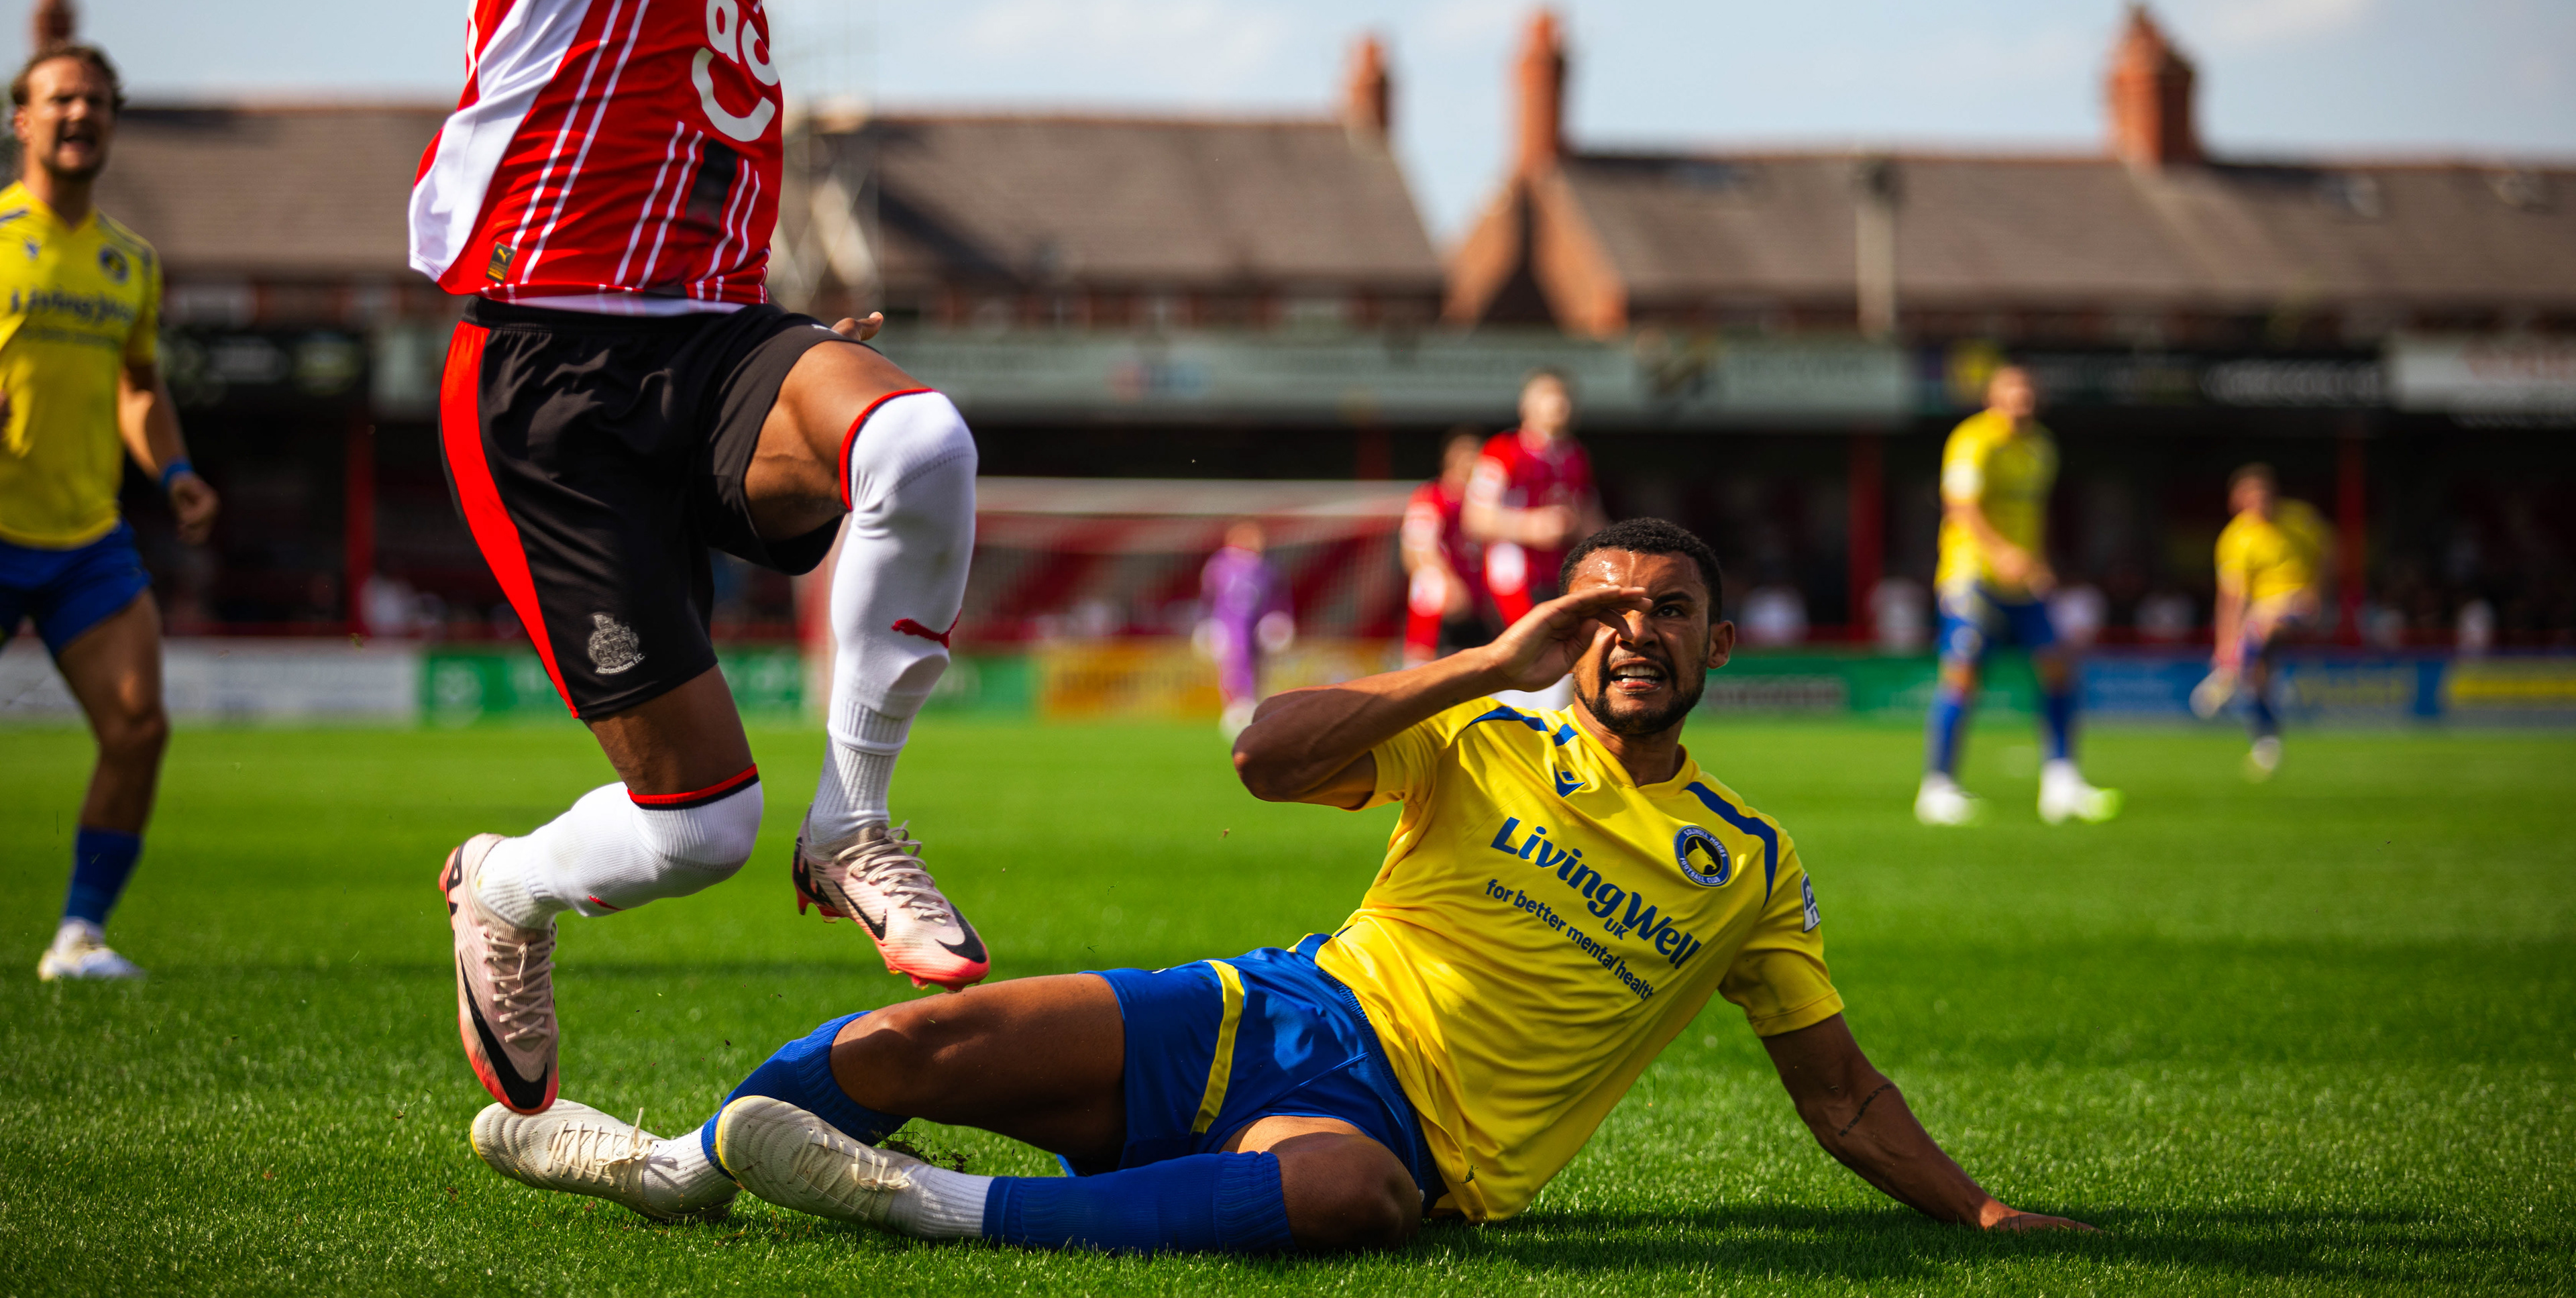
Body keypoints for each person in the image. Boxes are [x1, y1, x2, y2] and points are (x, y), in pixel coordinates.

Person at [467, 519, 2092, 1252]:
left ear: (1717, 646)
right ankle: (682, 1165)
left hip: (1405, 1132)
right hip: (1273, 1006)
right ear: (1564, 628)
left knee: (1342, 1200)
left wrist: (1984, 1205)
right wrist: (1480, 660)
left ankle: (939, 1206)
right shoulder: (1482, 731)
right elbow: (1260, 749)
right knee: (914, 1049)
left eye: (1669, 608)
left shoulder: (1749, 865)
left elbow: (1842, 1091)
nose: (1634, 630)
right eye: (1605, 606)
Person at [412, 0, 1072, 1116]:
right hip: (542, 382)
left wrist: (766, 336)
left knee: (919, 441)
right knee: (700, 827)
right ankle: (507, 888)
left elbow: (668, 204)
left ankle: (855, 825)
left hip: (702, 346)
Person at [6, 43, 220, 980]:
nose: (78, 114)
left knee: (139, 725)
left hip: (85, 538)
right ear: (23, 119)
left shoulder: (128, 262)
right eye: (60, 99)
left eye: (95, 101)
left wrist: (172, 469)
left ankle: (79, 936)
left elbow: (140, 385)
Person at [1916, 364, 2118, 828]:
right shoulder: (1973, 440)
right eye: (2013, 393)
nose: (2022, 402)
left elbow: (2036, 512)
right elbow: (1962, 508)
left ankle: (2062, 782)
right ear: (1993, 398)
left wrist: (2040, 562)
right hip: (1971, 576)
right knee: (1963, 674)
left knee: (2059, 666)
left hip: (2023, 578)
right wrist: (2002, 553)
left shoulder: (2042, 447)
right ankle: (1938, 787)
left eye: (2029, 393)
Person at [1462, 370, 1605, 703]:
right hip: (1514, 575)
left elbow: (1588, 514)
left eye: (1565, 397)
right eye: (1550, 396)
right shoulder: (1502, 452)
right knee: (1535, 657)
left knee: (1559, 658)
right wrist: (1532, 526)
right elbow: (1475, 516)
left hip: (1560, 572)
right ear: (1527, 405)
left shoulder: (1573, 456)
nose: (1560, 404)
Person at [2194, 464, 2332, 779]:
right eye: (2252, 497)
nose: (2261, 503)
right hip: (2260, 618)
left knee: (2265, 619)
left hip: (2300, 606)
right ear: (2237, 501)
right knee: (2257, 678)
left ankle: (2226, 675)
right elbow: (2231, 599)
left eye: (2264, 495)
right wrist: (2225, 644)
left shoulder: (2301, 519)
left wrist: (2319, 592)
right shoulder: (2235, 539)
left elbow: (2328, 552)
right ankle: (2266, 743)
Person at [1399, 427, 1489, 666]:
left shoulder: (1482, 502)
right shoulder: (1432, 496)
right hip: (1443, 595)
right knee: (1426, 666)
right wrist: (1448, 582)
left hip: (1478, 595)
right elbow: (1417, 548)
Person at [1199, 520, 1292, 738]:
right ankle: (1234, 710)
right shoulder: (1219, 565)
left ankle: (1254, 707)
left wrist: (1280, 621)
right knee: (1232, 665)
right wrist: (1206, 624)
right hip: (1229, 625)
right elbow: (1208, 598)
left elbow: (1279, 599)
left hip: (1257, 626)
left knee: (1259, 666)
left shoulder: (1267, 568)